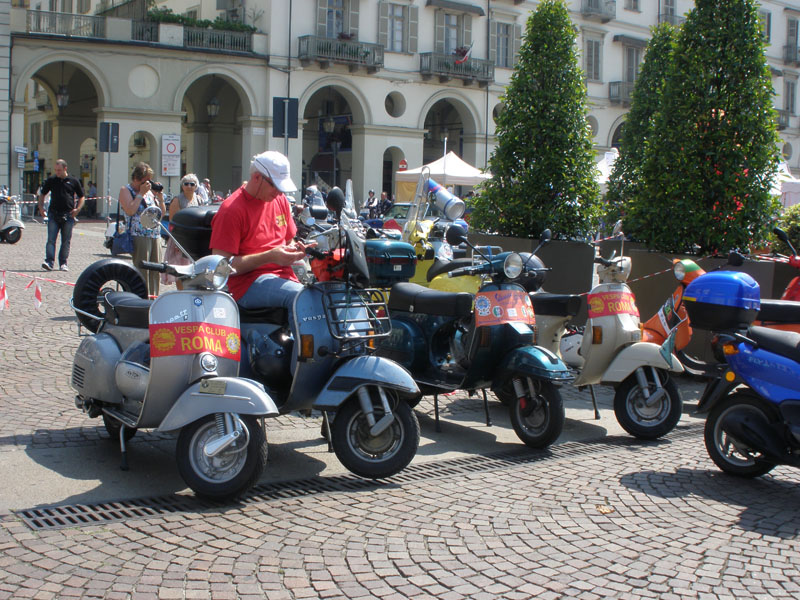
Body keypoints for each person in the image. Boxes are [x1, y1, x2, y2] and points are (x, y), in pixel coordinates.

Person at [209, 151, 312, 320]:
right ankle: (304, 347)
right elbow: (219, 267)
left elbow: (288, 240)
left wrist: (295, 250)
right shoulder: (232, 210)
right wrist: (270, 257)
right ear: (257, 177)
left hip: (281, 276)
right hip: (245, 284)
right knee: (301, 297)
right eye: (275, 186)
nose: (279, 193)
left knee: (323, 295)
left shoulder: (280, 200)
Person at [118, 162, 166, 297]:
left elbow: (160, 214)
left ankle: (154, 299)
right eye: (145, 181)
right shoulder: (126, 190)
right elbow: (130, 210)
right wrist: (140, 194)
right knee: (142, 269)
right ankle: (141, 299)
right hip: (138, 233)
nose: (147, 184)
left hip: (154, 234)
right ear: (136, 179)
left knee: (156, 269)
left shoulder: (149, 192)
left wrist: (160, 200)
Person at [38, 159, 85, 271]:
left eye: (59, 170)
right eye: (56, 170)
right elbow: (43, 194)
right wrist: (41, 207)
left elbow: (82, 196)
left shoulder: (73, 181)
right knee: (51, 239)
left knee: (66, 240)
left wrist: (78, 209)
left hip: (68, 214)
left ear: (65, 168)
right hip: (53, 213)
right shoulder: (52, 180)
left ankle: (63, 263)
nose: (57, 172)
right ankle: (49, 261)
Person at [161, 173, 200, 289]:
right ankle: (181, 292)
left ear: (196, 186)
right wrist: (177, 241)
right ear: (182, 186)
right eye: (186, 184)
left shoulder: (199, 199)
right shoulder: (177, 200)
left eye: (192, 184)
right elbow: (173, 223)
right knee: (180, 270)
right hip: (180, 239)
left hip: (194, 240)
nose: (189, 186)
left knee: (193, 269)